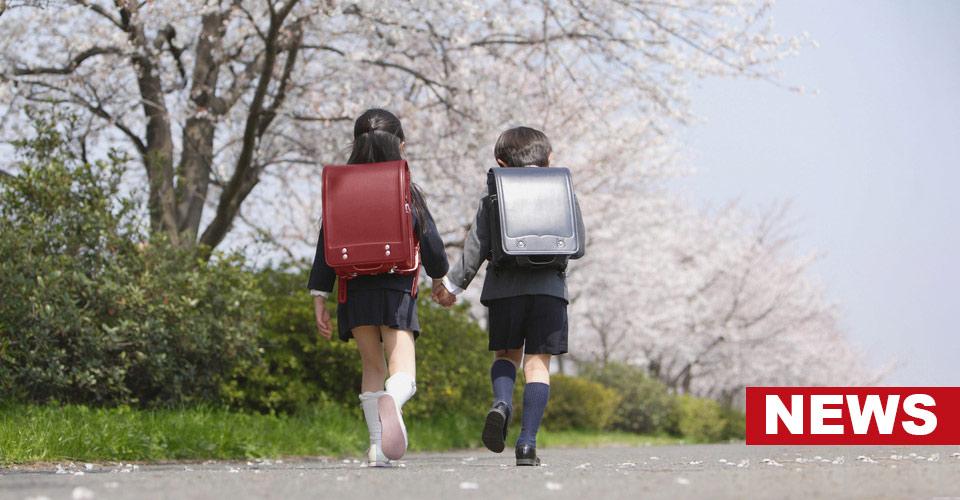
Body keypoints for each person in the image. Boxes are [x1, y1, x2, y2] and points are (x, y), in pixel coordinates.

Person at [433, 126, 585, 466]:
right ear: (549, 159)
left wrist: (453, 285)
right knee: (537, 364)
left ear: (500, 163)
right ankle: (527, 444)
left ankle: (502, 403)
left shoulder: (495, 191)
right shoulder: (563, 188)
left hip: (504, 290)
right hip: (549, 291)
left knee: (506, 354)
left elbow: (477, 243)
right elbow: (579, 247)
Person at [309, 109, 449, 466]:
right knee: (402, 369)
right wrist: (439, 276)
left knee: (372, 366)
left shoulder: (338, 189)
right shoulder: (405, 189)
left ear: (356, 145)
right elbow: (430, 240)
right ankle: (394, 399)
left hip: (353, 290)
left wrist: (319, 296)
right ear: (398, 144)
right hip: (396, 289)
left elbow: (326, 243)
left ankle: (377, 448)